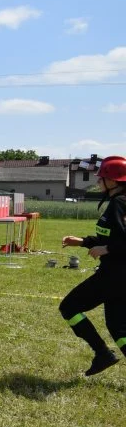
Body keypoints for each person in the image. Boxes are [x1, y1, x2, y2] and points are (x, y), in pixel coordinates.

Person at [59, 155, 126, 376]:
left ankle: (102, 353)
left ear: (114, 181)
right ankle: (103, 354)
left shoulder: (119, 203)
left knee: (69, 307)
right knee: (117, 328)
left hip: (115, 275)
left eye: (102, 178)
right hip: (117, 275)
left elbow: (116, 243)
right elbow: (111, 236)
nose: (98, 182)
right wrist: (83, 242)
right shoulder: (118, 202)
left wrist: (108, 250)